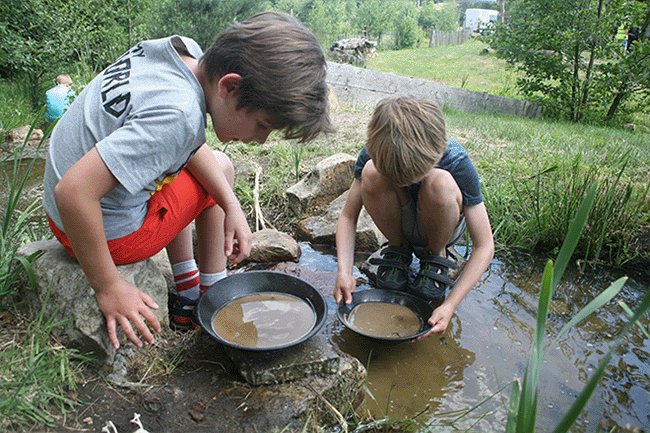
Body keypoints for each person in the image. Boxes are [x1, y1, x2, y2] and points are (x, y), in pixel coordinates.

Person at [42, 12, 332, 350]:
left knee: (211, 171)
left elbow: (178, 142)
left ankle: (188, 290)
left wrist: (232, 204)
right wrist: (108, 286)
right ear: (230, 86)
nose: (261, 140)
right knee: (221, 168)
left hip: (66, 212)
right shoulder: (179, 116)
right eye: (263, 125)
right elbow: (74, 193)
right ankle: (210, 296)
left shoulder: (177, 54)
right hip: (99, 232)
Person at [334, 95, 493, 340]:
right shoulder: (374, 152)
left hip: (441, 224)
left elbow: (484, 246)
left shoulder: (456, 160)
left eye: (407, 179)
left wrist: (449, 305)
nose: (402, 184)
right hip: (401, 221)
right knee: (371, 172)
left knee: (439, 182)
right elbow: (347, 217)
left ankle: (435, 255)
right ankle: (399, 249)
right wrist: (344, 271)